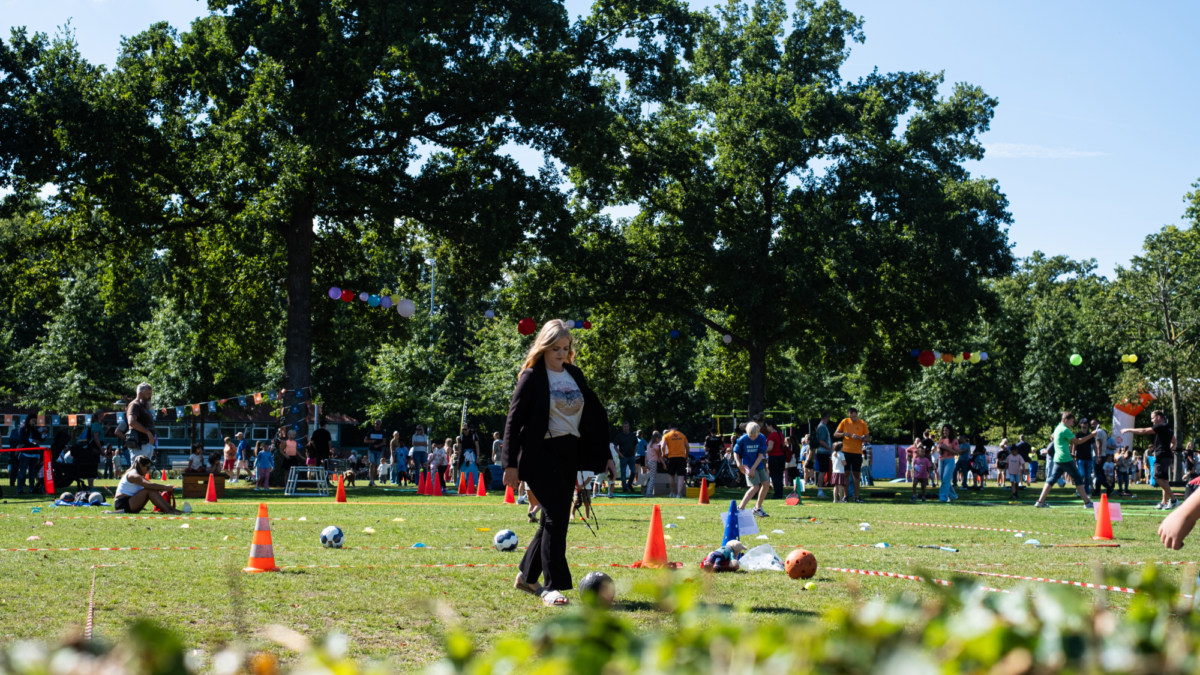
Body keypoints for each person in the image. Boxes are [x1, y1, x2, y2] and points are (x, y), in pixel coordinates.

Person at [501, 319, 611, 608]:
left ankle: (526, 577)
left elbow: (594, 417)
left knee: (552, 516)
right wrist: (509, 464)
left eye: (566, 348)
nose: (562, 354)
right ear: (544, 347)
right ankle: (552, 586)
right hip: (540, 452)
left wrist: (606, 454)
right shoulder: (532, 376)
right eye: (556, 348)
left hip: (569, 451)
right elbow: (513, 421)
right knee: (559, 512)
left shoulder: (574, 374)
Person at [1034, 412, 1097, 509]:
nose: (1072, 424)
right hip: (1065, 459)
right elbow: (1077, 441)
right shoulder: (1065, 429)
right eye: (1072, 421)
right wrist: (1091, 435)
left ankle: (1040, 501)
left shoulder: (1058, 428)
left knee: (1052, 479)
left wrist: (1070, 453)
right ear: (1066, 420)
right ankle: (1087, 502)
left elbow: (1060, 444)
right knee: (1078, 478)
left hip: (1058, 458)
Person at [1122, 410, 1177, 510]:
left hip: (1162, 456)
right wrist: (1170, 449)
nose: (1152, 421)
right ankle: (1164, 502)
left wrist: (1129, 429)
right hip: (1166, 456)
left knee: (1157, 478)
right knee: (1164, 480)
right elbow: (1174, 441)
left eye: (1153, 418)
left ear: (1158, 417)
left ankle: (1173, 500)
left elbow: (1143, 431)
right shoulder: (1168, 428)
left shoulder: (1161, 426)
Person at [114, 456, 181, 514]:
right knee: (149, 490)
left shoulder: (138, 475)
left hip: (128, 502)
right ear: (140, 466)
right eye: (147, 468)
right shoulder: (133, 475)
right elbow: (149, 485)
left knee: (151, 489)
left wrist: (165, 487)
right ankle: (167, 510)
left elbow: (151, 485)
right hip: (122, 505)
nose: (148, 471)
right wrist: (165, 487)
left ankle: (171, 509)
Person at [833, 408, 870, 503]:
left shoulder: (862, 423)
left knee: (856, 474)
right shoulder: (844, 421)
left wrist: (860, 438)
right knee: (846, 473)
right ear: (848, 415)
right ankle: (845, 496)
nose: (853, 418)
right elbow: (835, 434)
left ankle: (856, 497)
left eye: (854, 416)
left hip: (857, 452)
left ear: (857, 414)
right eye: (851, 417)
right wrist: (844, 434)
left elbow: (868, 438)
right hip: (845, 452)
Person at [734, 422, 770, 516]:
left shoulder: (762, 437)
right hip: (748, 465)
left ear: (758, 432)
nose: (752, 438)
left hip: (758, 465)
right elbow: (736, 452)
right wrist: (739, 464)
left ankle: (757, 508)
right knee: (755, 487)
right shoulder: (742, 439)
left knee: (766, 484)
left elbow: (760, 455)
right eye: (750, 435)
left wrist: (754, 468)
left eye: (754, 436)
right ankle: (740, 508)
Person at [125, 383, 157, 463]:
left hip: (146, 445)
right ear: (140, 393)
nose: (150, 396)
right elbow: (132, 422)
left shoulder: (144, 406)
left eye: (150, 394)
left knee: (145, 473)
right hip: (140, 446)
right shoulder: (134, 405)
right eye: (148, 394)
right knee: (137, 472)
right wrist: (148, 432)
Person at [15, 415, 45, 494]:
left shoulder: (35, 430)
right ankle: (19, 490)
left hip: (34, 454)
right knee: (22, 472)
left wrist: (44, 433)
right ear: (28, 420)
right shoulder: (22, 429)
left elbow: (41, 439)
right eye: (33, 421)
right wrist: (31, 440)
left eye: (35, 421)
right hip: (25, 454)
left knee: (32, 474)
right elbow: (22, 440)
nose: (33, 423)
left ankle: (32, 489)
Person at [661, 423, 689, 499]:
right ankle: (679, 494)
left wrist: (663, 454)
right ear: (676, 428)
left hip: (671, 457)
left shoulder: (666, 435)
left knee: (671, 475)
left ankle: (673, 493)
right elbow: (687, 446)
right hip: (681, 457)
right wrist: (686, 456)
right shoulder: (682, 435)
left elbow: (663, 446)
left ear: (669, 429)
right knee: (681, 476)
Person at [937, 425, 961, 503]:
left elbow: (957, 452)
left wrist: (947, 448)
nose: (944, 432)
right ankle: (953, 495)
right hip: (941, 460)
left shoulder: (954, 440)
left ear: (950, 431)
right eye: (943, 430)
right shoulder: (941, 439)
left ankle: (943, 498)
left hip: (950, 460)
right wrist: (939, 450)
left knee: (946, 479)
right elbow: (938, 448)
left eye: (946, 430)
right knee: (944, 479)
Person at [613, 422, 639, 494]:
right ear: (622, 427)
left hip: (631, 457)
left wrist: (634, 454)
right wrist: (620, 454)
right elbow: (615, 446)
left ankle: (629, 484)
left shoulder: (633, 435)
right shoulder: (619, 436)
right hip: (623, 457)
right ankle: (624, 487)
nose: (626, 428)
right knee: (623, 473)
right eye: (624, 427)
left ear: (629, 427)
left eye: (627, 426)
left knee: (633, 472)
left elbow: (635, 445)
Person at [763, 421, 786, 500]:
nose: (766, 428)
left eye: (767, 426)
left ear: (771, 425)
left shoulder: (772, 435)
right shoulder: (781, 434)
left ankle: (777, 494)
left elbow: (770, 448)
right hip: (781, 456)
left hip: (774, 457)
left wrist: (762, 452)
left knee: (774, 476)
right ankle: (780, 493)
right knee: (780, 476)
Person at [812, 411, 833, 499]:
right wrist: (830, 449)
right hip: (822, 452)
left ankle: (820, 490)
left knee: (823, 471)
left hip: (823, 452)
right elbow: (821, 441)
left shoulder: (822, 426)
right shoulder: (822, 427)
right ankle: (820, 491)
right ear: (826, 417)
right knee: (822, 471)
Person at [1089, 419, 1109, 497]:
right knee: (1099, 474)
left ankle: (1109, 488)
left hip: (1098, 455)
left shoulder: (1098, 432)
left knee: (1098, 474)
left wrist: (1098, 456)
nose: (1091, 425)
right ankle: (1097, 490)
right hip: (1103, 454)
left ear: (1098, 423)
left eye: (1093, 424)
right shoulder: (1103, 432)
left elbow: (1099, 444)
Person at [363, 420, 386, 487]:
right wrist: (371, 441)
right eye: (375, 424)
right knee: (371, 464)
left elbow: (384, 441)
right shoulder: (371, 431)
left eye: (377, 424)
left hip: (379, 450)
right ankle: (371, 480)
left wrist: (378, 445)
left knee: (376, 466)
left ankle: (373, 481)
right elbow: (365, 440)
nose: (376, 425)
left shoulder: (382, 432)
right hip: (371, 450)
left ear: (380, 424)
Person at [644, 431, 661, 496]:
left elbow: (646, 454)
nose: (659, 440)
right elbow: (659, 455)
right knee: (652, 478)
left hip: (649, 461)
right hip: (653, 462)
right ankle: (649, 493)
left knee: (650, 478)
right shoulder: (655, 445)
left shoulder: (649, 444)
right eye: (659, 439)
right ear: (656, 438)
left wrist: (646, 463)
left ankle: (648, 492)